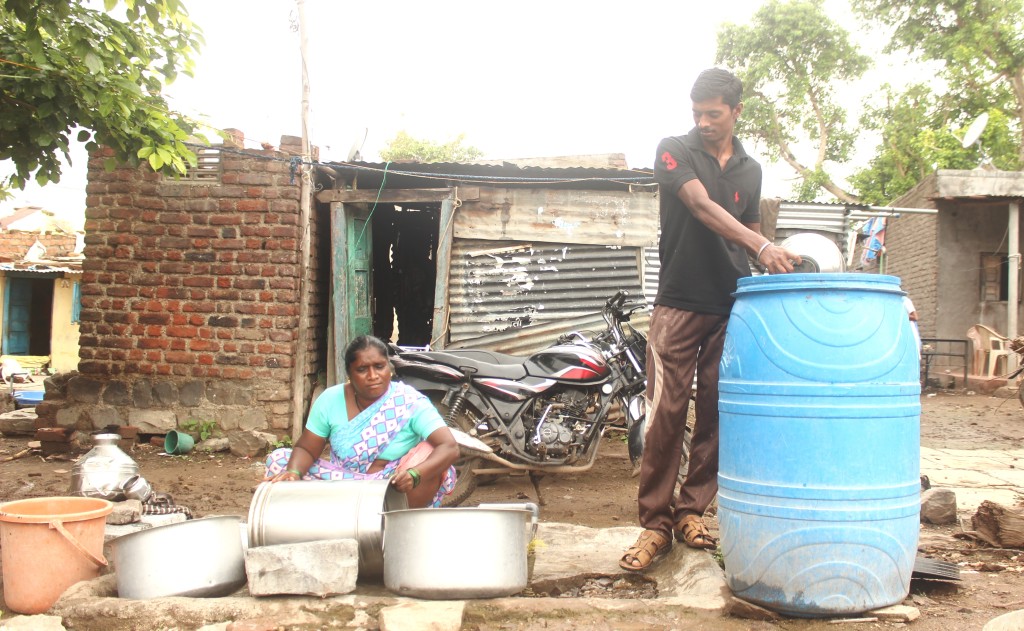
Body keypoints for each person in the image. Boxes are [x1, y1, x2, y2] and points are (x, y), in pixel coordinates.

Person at [619, 68, 800, 572]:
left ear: (737, 112)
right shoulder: (673, 148)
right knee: (665, 416)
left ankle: (692, 511)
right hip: (677, 303)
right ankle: (654, 523)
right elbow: (700, 206)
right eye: (697, 112)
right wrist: (760, 245)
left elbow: (753, 231)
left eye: (713, 113)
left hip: (731, 305)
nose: (703, 122)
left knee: (719, 415)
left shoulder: (751, 169)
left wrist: (764, 257)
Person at [264, 335, 459, 508]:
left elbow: (449, 447)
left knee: (430, 453)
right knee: (280, 460)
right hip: (342, 484)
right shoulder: (330, 400)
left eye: (379, 367)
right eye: (362, 369)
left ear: (389, 369)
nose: (373, 376)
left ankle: (395, 519)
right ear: (349, 374)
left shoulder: (409, 401)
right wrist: (294, 473)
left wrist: (415, 474)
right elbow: (306, 449)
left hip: (392, 489)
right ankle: (336, 514)